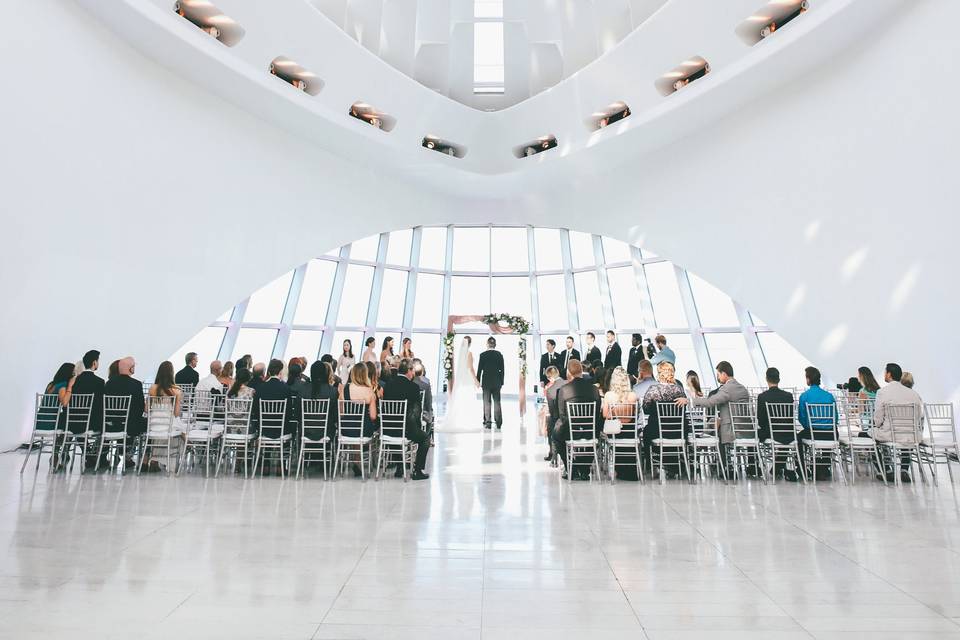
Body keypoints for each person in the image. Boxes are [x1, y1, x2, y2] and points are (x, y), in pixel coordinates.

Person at [677, 361, 749, 452]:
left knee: (716, 431)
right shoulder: (743, 388)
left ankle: (722, 464)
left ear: (723, 374)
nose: (717, 377)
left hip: (732, 431)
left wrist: (689, 400)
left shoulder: (726, 388)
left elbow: (710, 402)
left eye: (718, 374)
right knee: (714, 422)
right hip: (747, 430)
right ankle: (701, 444)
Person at [872, 362, 923, 481]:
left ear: (889, 374)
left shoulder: (883, 392)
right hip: (911, 435)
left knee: (871, 439)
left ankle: (885, 470)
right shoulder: (914, 394)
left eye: (885, 372)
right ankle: (904, 469)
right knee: (906, 437)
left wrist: (878, 425)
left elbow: (878, 418)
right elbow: (918, 416)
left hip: (890, 434)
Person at [552, 360, 602, 480]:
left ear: (569, 372)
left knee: (555, 436)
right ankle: (584, 468)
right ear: (581, 371)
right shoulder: (594, 389)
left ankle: (571, 468)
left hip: (569, 431)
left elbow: (561, 415)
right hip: (590, 431)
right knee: (597, 435)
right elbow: (597, 413)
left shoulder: (563, 390)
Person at [382, 359, 430, 480]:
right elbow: (416, 412)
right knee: (425, 439)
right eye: (412, 370)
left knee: (394, 437)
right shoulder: (413, 387)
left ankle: (400, 466)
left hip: (388, 428)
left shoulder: (388, 385)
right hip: (406, 429)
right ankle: (417, 470)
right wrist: (417, 428)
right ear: (409, 371)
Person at [641, 361, 688, 473]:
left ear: (659, 373)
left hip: (658, 430)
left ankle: (649, 464)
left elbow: (645, 410)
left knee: (646, 433)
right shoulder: (680, 389)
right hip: (678, 431)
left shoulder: (653, 390)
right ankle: (678, 462)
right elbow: (684, 409)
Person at [796, 366, 837, 480]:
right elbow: (836, 418)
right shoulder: (829, 396)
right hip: (830, 434)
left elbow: (802, 417)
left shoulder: (805, 396)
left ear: (808, 379)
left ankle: (802, 469)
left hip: (814, 432)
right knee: (829, 435)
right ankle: (823, 466)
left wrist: (808, 427)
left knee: (797, 439)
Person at [103, 357, 146, 466]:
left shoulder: (109, 384)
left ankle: (114, 453)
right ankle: (129, 456)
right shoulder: (136, 384)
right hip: (130, 426)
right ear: (131, 368)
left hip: (110, 425)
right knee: (145, 423)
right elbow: (140, 406)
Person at [252, 359, 297, 441]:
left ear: (269, 372)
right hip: (282, 430)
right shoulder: (286, 389)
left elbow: (256, 409)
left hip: (264, 429)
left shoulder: (260, 388)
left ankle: (265, 453)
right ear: (280, 372)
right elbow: (289, 411)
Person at [756, 367, 794, 444]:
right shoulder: (788, 396)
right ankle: (782, 455)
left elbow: (760, 420)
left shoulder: (762, 397)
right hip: (788, 433)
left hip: (770, 433)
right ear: (779, 380)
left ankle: (757, 456)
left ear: (766, 379)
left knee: (753, 435)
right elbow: (790, 418)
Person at [340, 363, 379, 439]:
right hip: (363, 430)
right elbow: (373, 416)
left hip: (346, 429)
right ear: (365, 374)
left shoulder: (345, 389)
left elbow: (341, 413)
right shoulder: (369, 391)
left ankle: (351, 450)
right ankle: (359, 450)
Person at [72, 350, 105, 433]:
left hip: (73, 422)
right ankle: (99, 446)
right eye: (98, 361)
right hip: (92, 423)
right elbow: (100, 404)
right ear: (94, 363)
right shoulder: (99, 382)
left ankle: (87, 446)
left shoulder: (74, 381)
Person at [476, 337, 505, 430]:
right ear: (495, 345)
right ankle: (499, 423)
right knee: (497, 402)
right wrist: (501, 382)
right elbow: (502, 370)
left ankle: (488, 423)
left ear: (487, 344)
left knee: (486, 402)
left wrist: (478, 381)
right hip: (497, 382)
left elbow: (479, 369)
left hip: (486, 382)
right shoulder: (499, 355)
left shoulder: (483, 355)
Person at [308, 361, 339, 441]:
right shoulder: (333, 391)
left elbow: (297, 414)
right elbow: (336, 415)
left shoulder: (303, 390)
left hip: (306, 432)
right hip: (326, 432)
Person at [542, 365, 565, 462]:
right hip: (570, 419)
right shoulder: (566, 383)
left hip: (558, 420)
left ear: (550, 377)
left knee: (549, 421)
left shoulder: (550, 390)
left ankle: (553, 453)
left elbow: (552, 412)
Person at [411, 359, 434, 441]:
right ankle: (425, 437)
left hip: (410, 413)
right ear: (422, 372)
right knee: (430, 415)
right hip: (422, 413)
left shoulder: (410, 383)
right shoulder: (425, 384)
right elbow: (428, 402)